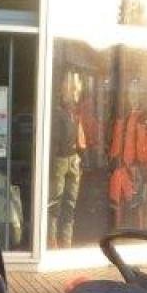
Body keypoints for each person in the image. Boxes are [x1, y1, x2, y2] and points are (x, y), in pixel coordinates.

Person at [108, 77, 147, 230]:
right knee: (116, 207)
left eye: (136, 93)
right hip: (120, 170)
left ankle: (140, 240)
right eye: (130, 93)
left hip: (137, 171)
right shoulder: (123, 117)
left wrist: (146, 172)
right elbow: (113, 143)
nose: (133, 96)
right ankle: (115, 238)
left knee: (138, 209)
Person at [48, 69, 85, 248]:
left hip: (73, 159)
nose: (75, 93)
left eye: (77, 90)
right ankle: (51, 240)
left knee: (70, 202)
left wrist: (79, 156)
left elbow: (81, 139)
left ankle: (66, 241)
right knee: (56, 201)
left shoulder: (76, 114)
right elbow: (54, 138)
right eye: (73, 90)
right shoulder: (58, 112)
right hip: (60, 159)